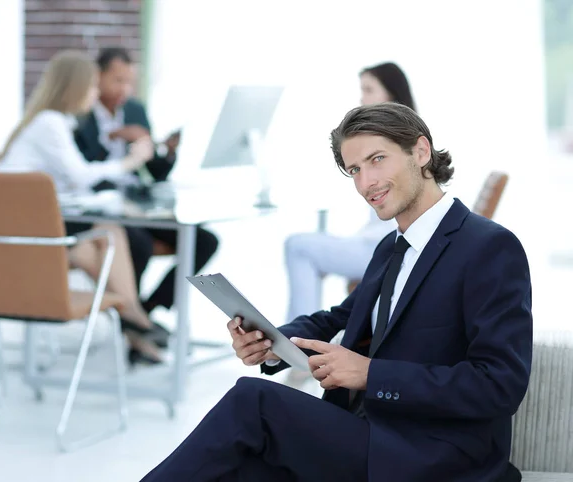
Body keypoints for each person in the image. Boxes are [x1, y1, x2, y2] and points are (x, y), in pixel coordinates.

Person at [140, 103, 532, 482]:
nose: (366, 183)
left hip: (436, 456)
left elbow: (500, 385)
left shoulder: (488, 247)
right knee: (241, 468)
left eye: (377, 160)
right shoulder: (392, 246)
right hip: (372, 435)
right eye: (354, 170)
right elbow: (340, 318)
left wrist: (371, 374)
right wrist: (272, 341)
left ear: (421, 151)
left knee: (253, 402)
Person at [0, 50, 164, 365]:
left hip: (28, 233)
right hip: (17, 243)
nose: (96, 94)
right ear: (74, 88)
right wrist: (130, 162)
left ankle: (133, 319)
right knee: (110, 234)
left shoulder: (51, 122)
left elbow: (70, 183)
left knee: (93, 247)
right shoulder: (51, 123)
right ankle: (135, 318)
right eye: (91, 88)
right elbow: (80, 175)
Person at [74, 47, 219, 317]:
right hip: (102, 208)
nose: (124, 89)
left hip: (136, 202)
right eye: (118, 80)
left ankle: (147, 311)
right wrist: (115, 141)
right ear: (99, 77)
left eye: (129, 82)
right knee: (136, 243)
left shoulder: (134, 110)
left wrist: (167, 151)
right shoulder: (81, 114)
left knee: (204, 241)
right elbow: (79, 171)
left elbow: (157, 173)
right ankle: (133, 321)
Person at [285, 62, 415, 325]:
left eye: (368, 89)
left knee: (299, 247)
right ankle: (297, 341)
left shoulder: (395, 143)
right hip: (378, 242)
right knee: (306, 249)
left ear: (390, 94)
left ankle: (295, 346)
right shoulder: (389, 138)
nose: (361, 98)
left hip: (386, 248)